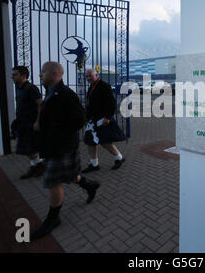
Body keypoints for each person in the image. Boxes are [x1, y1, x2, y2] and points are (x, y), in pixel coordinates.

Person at [31, 62, 100, 240]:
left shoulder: (65, 94)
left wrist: (57, 134)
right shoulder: (51, 92)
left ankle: (53, 219)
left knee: (52, 181)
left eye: (42, 72)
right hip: (55, 145)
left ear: (54, 73)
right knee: (69, 175)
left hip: (61, 147)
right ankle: (90, 185)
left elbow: (79, 120)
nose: (40, 75)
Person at [81, 68, 126, 173]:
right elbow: (90, 105)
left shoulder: (104, 86)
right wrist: (87, 118)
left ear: (96, 75)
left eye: (90, 76)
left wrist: (108, 117)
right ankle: (94, 164)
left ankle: (119, 158)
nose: (88, 78)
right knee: (90, 142)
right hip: (92, 120)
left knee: (105, 142)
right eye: (87, 76)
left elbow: (111, 103)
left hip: (102, 118)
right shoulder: (91, 87)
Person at [11, 66, 45, 179]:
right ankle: (35, 167)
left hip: (31, 124)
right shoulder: (19, 88)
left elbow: (40, 104)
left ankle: (40, 165)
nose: (12, 77)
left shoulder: (31, 88)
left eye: (15, 74)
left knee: (31, 148)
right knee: (27, 149)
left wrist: (38, 121)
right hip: (22, 123)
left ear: (23, 76)